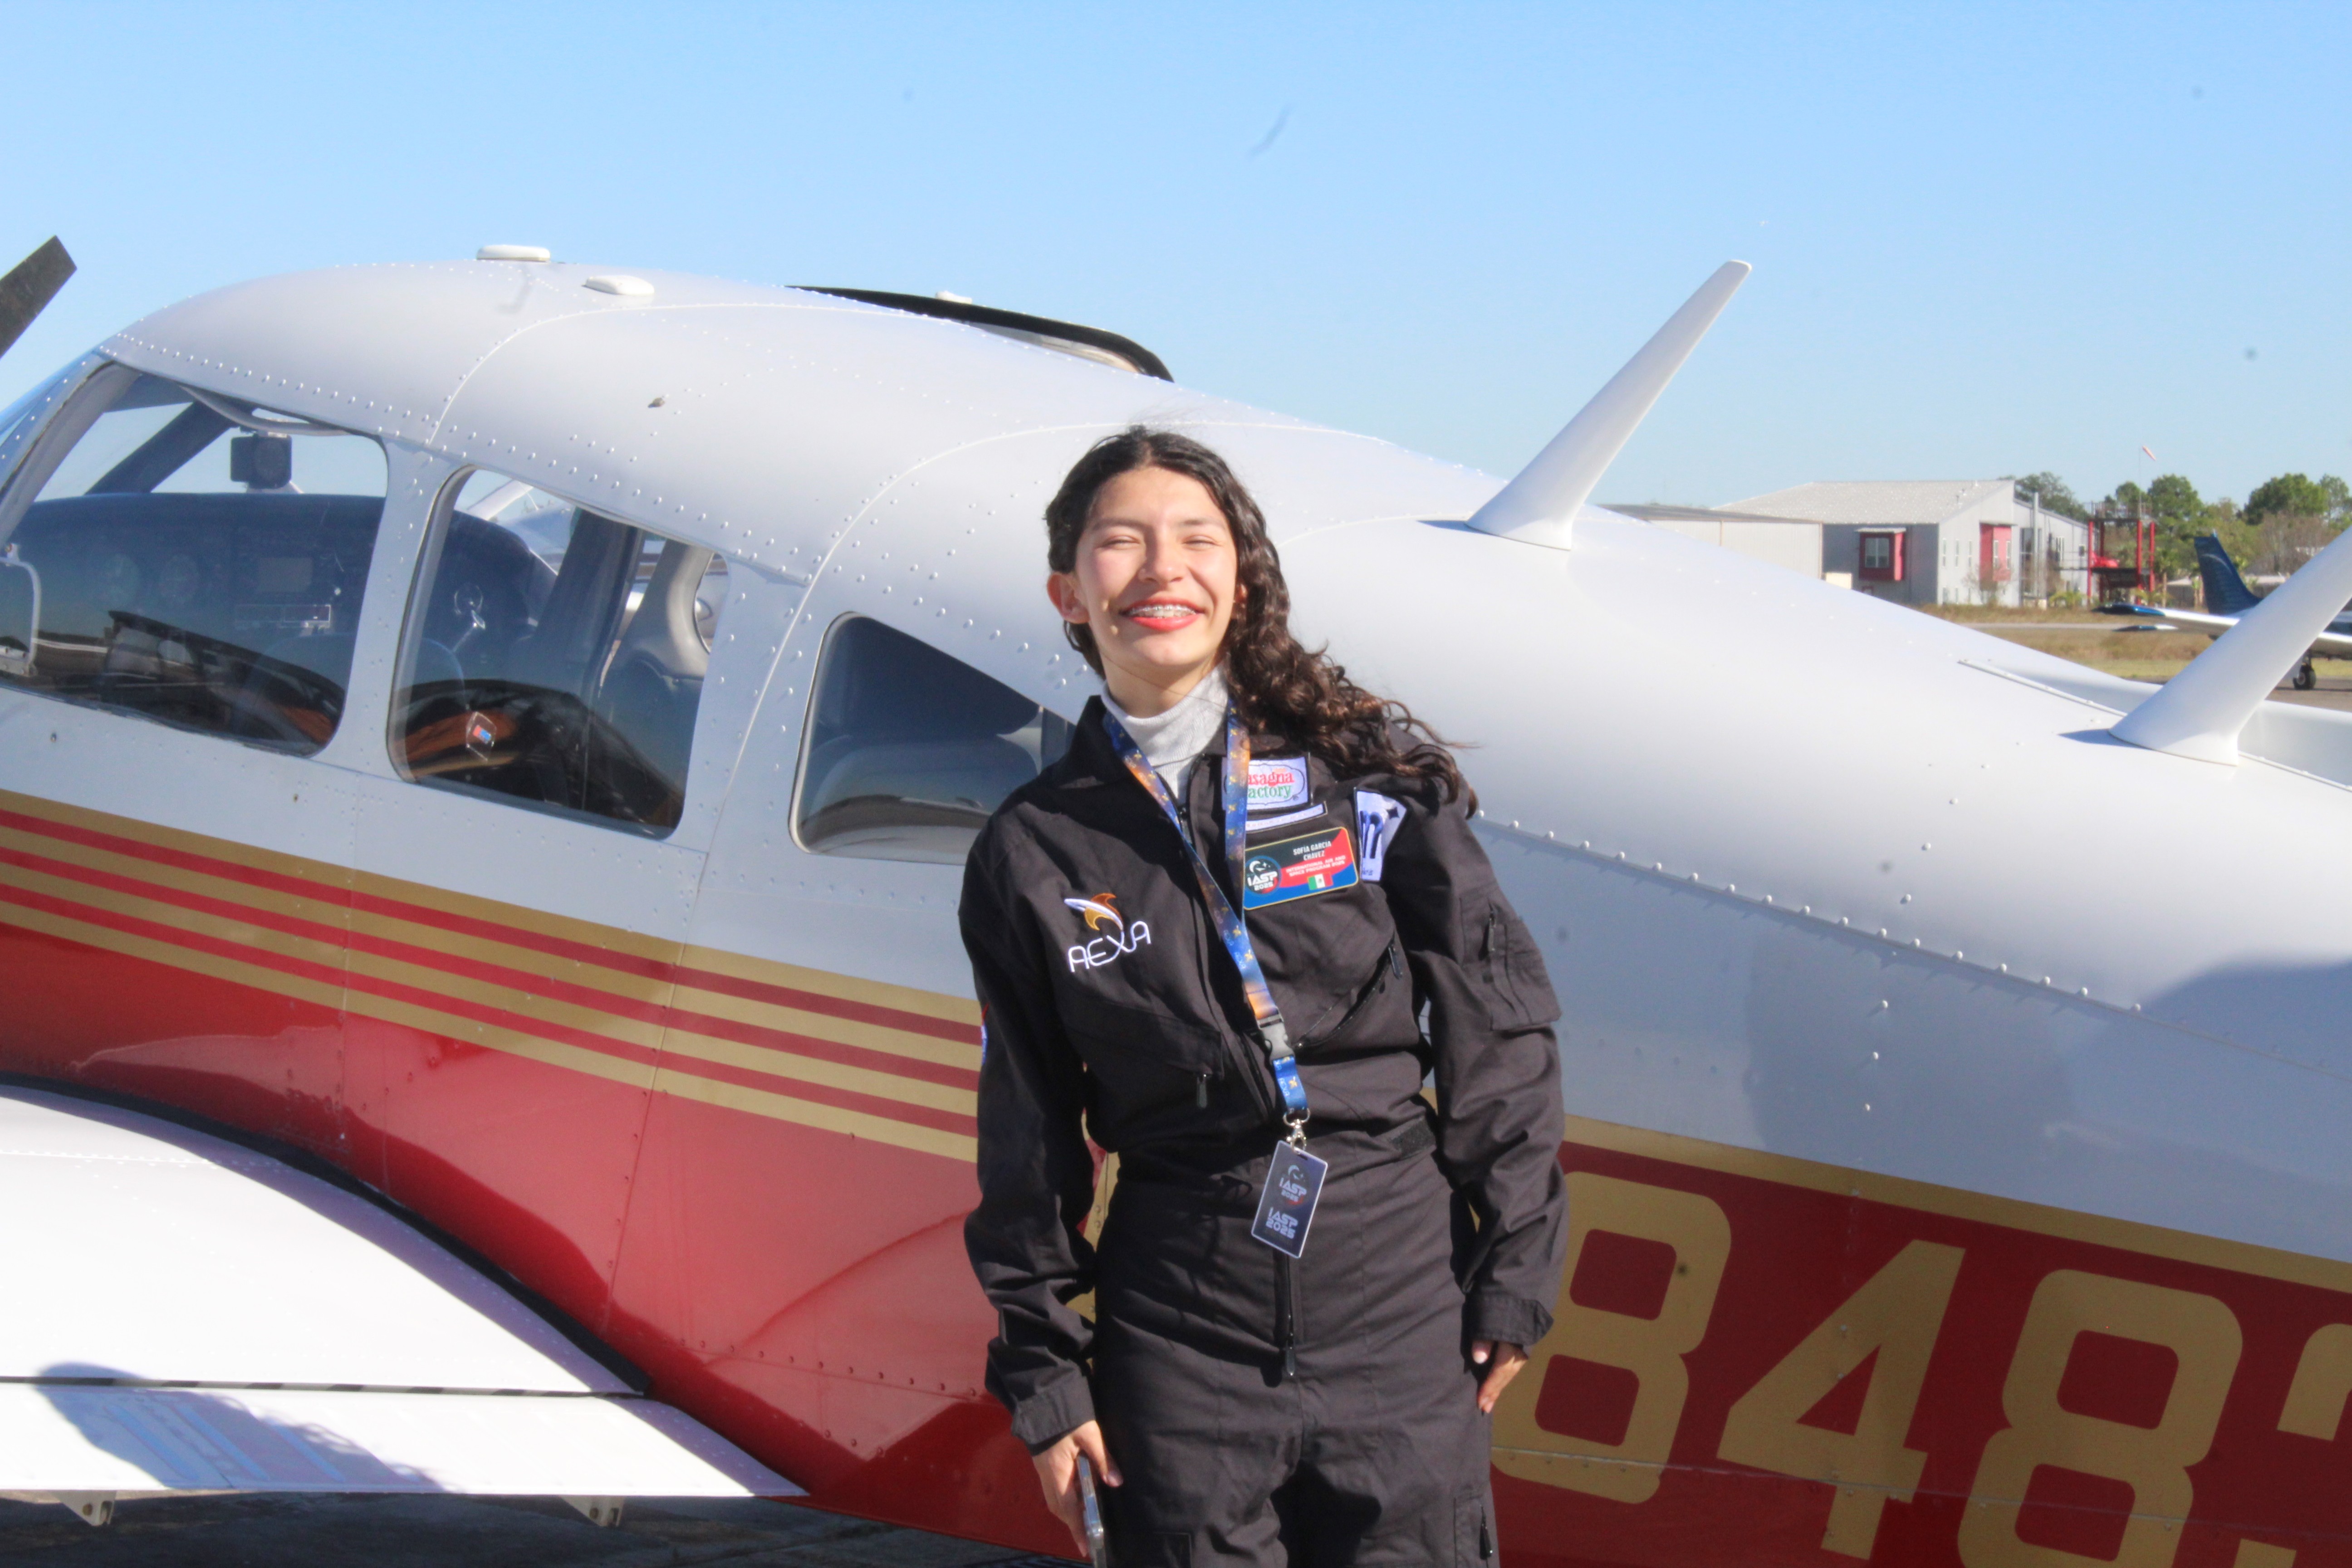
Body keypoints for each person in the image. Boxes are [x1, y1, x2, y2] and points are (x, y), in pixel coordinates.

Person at [961, 427, 1566, 1568]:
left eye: (1198, 540)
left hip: (1398, 1297)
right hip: (1181, 1323)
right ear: (1068, 593)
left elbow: (1494, 1019)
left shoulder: (1365, 775)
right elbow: (1026, 1132)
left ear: (1241, 577)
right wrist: (1045, 1374)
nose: (1163, 569)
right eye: (1121, 542)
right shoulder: (1033, 851)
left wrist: (1518, 1260)